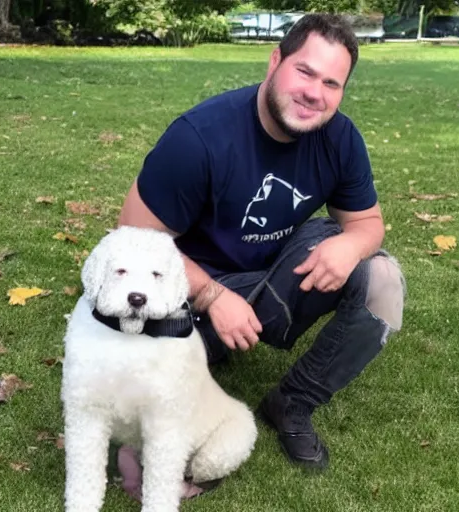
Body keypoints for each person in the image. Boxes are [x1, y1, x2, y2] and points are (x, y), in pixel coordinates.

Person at [118, 13, 405, 475]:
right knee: (171, 455)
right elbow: (131, 242)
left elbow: (368, 222)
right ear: (275, 62)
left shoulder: (340, 138)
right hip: (183, 297)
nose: (315, 93)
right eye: (305, 71)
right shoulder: (199, 138)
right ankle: (191, 361)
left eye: (332, 83)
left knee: (382, 279)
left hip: (271, 283)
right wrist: (213, 295)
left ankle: (292, 401)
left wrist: (352, 245)